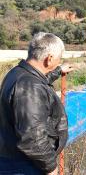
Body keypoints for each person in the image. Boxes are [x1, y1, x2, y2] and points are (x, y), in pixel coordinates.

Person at [0, 32, 74, 175]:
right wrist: (51, 167)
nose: (59, 62)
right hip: (24, 165)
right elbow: (32, 138)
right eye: (59, 59)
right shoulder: (30, 86)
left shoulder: (18, 73)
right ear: (49, 58)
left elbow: (39, 80)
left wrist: (58, 71)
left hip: (12, 158)